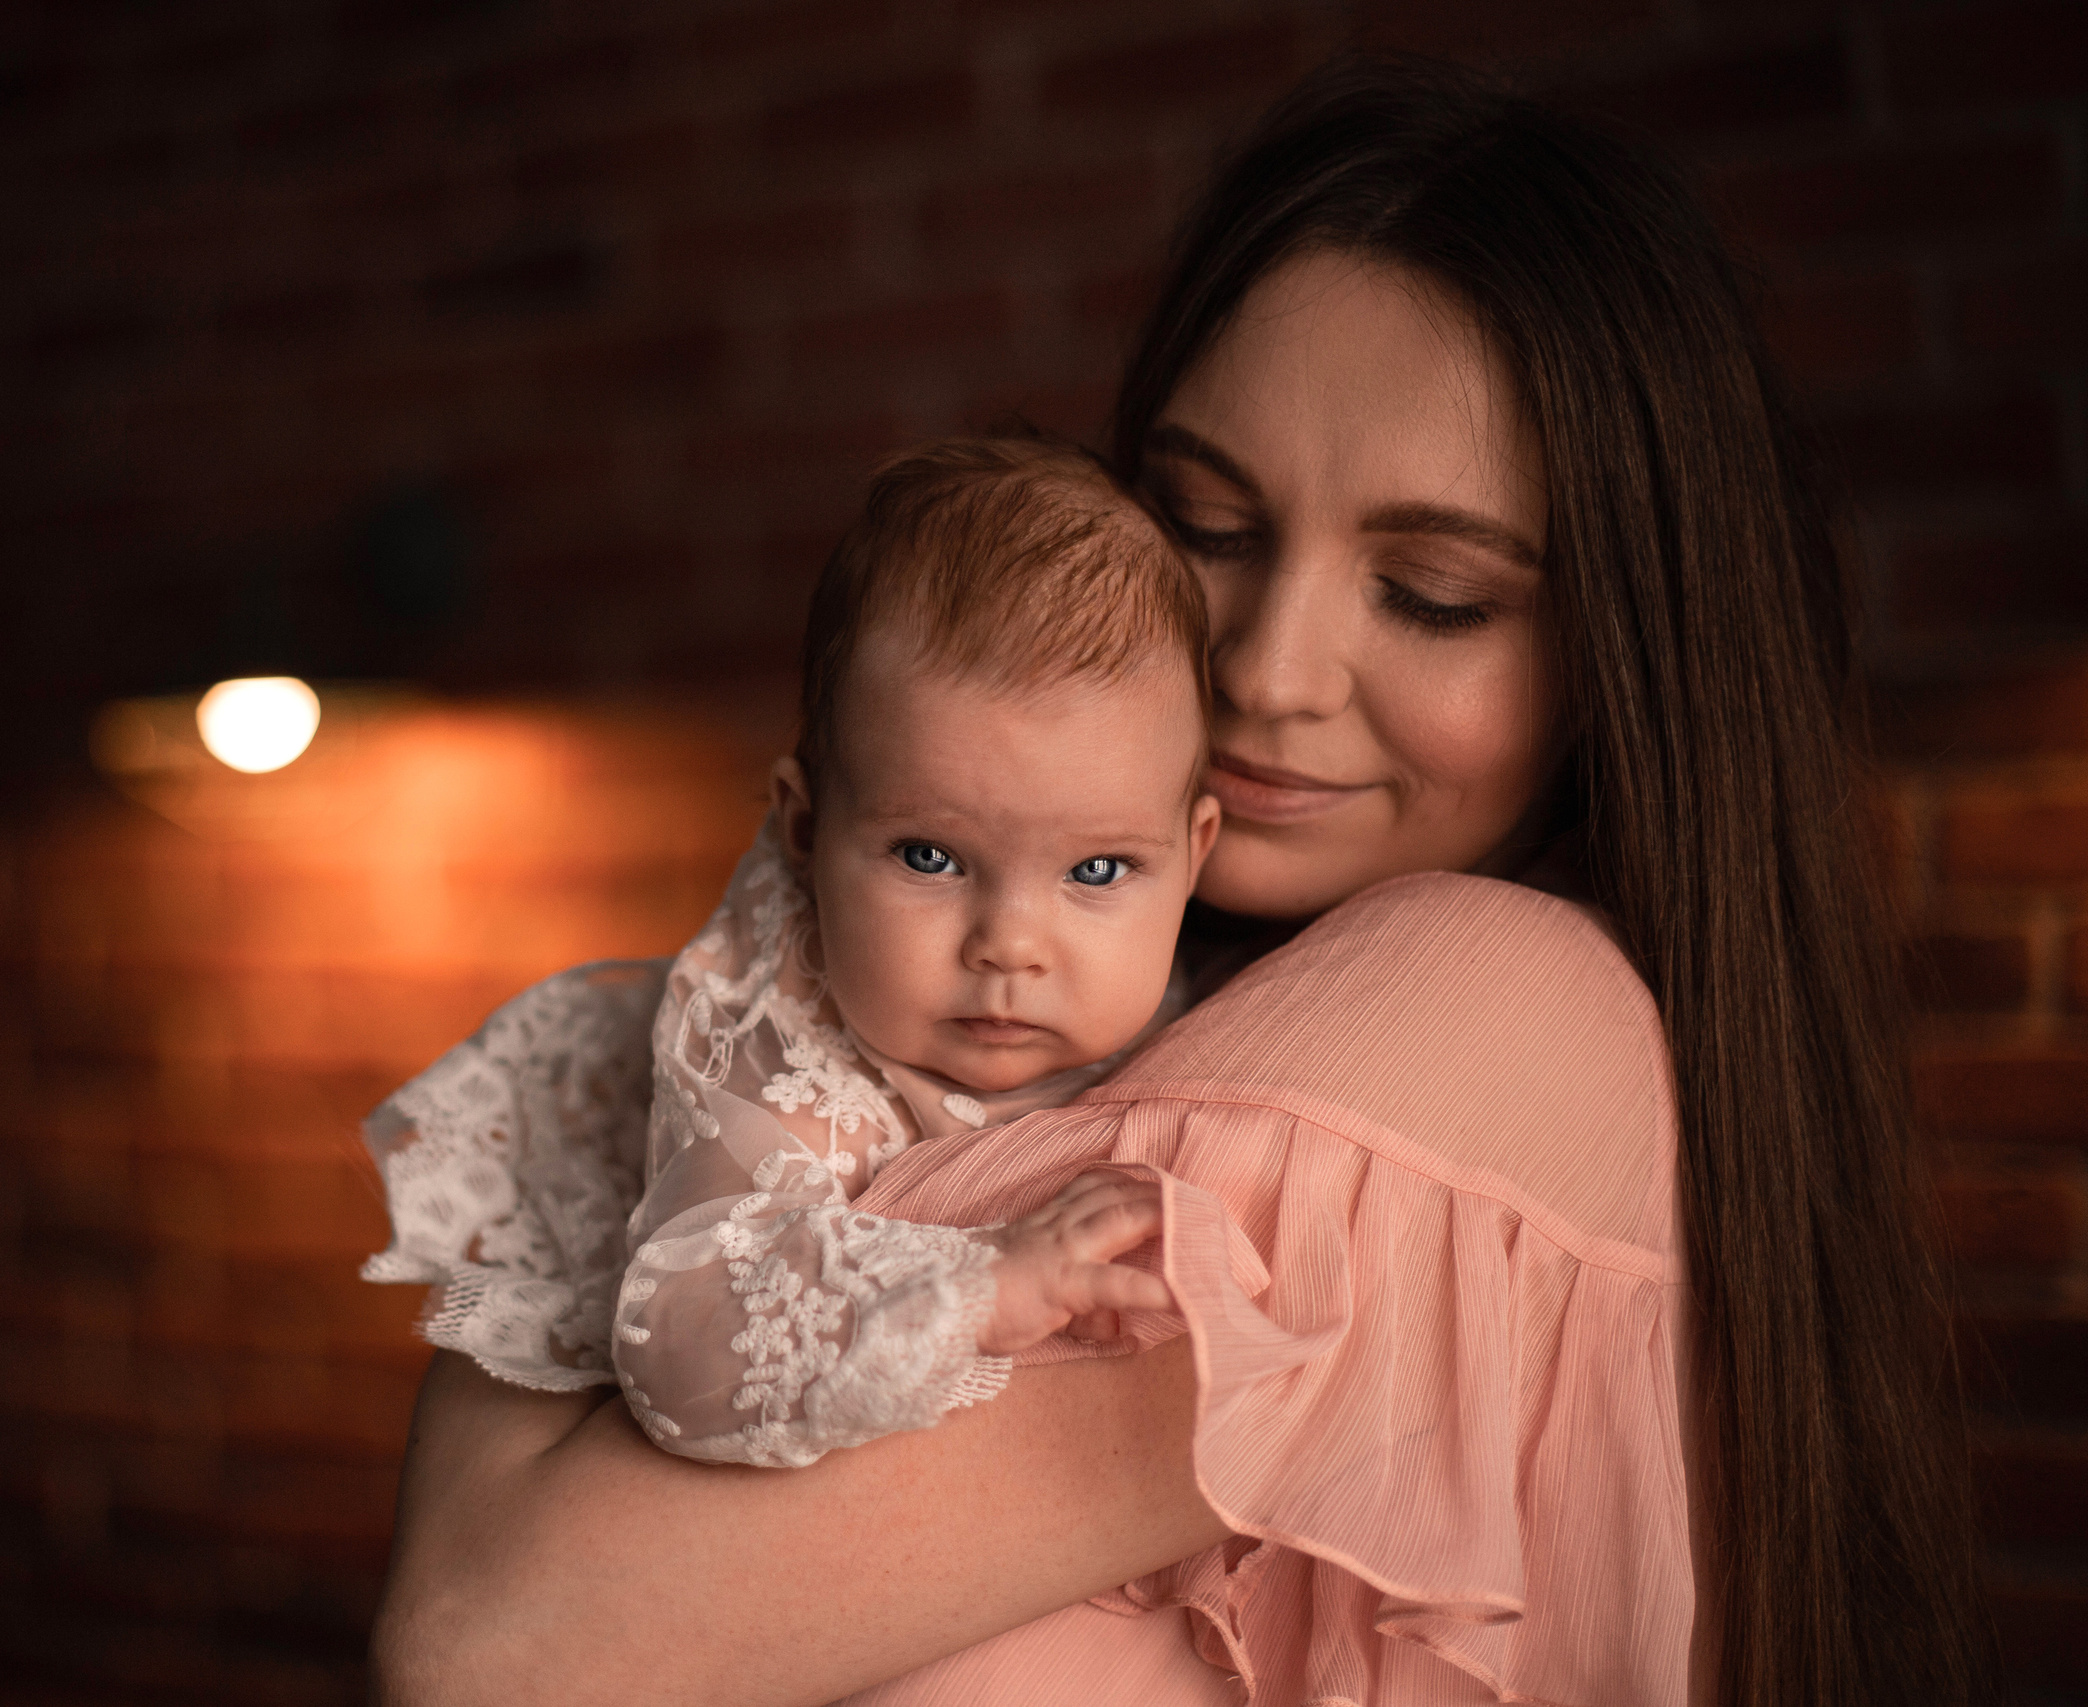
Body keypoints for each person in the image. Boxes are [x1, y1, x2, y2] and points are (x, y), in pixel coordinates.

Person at [369, 60, 1991, 1707]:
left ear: (1632, 650)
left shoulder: (1481, 1008)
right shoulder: (1112, 991)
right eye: (1207, 525)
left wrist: (649, 1103)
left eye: (1433, 593)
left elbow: (490, 1641)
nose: (1265, 670)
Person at [368, 437, 1220, 1468]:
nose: (1010, 944)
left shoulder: (1221, 997)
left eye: (1095, 873)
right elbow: (678, 1347)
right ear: (804, 828)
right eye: (931, 855)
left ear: (1191, 854)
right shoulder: (783, 1053)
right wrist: (980, 1290)